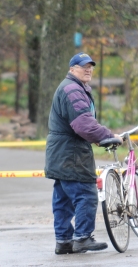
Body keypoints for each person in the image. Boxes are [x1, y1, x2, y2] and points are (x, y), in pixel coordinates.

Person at [44, 52, 122, 254]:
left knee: (63, 199)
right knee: (86, 194)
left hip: (61, 152)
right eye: (83, 66)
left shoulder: (72, 87)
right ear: (72, 69)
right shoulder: (72, 89)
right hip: (72, 153)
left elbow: (79, 124)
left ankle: (64, 241)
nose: (88, 70)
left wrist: (96, 137)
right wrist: (108, 136)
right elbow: (84, 124)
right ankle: (82, 238)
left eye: (90, 67)